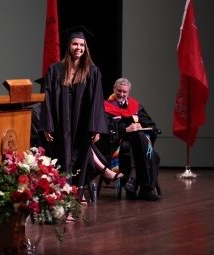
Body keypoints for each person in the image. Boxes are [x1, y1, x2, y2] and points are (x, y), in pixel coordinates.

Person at [40, 30, 123, 215]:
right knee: (62, 160)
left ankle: (74, 201)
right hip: (60, 125)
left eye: (82, 45)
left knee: (79, 161)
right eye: (75, 44)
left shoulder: (92, 71)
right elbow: (47, 99)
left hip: (82, 126)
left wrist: (96, 127)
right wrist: (48, 125)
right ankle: (61, 201)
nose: (78, 48)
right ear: (69, 46)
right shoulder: (55, 70)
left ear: (85, 48)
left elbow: (96, 102)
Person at [104, 78, 161, 201]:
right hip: (118, 143)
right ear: (114, 88)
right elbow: (105, 127)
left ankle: (133, 182)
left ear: (129, 91)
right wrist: (126, 129)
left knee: (142, 141)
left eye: (125, 92)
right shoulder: (105, 106)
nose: (122, 94)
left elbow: (151, 124)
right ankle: (146, 189)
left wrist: (141, 125)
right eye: (119, 91)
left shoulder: (135, 105)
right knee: (143, 146)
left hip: (136, 145)